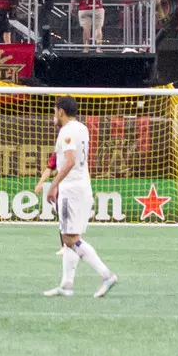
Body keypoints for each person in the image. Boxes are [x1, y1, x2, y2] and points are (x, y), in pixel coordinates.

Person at [41, 95, 114, 297]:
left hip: (71, 189)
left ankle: (106, 275)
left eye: (54, 111)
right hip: (83, 186)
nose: (53, 115)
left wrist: (54, 184)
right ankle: (66, 285)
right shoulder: (82, 128)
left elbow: (70, 160)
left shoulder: (67, 131)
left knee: (69, 237)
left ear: (61, 111)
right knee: (71, 237)